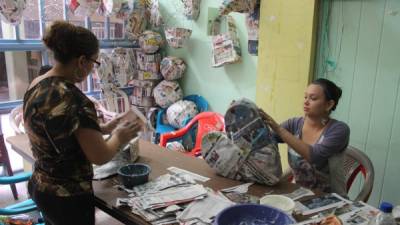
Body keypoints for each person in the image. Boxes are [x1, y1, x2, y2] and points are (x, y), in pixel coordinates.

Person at [23, 21, 140, 225]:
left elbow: (59, 130)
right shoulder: (75, 100)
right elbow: (100, 156)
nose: (92, 70)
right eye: (94, 63)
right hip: (68, 198)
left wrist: (103, 129)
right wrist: (119, 137)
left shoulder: (37, 83)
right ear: (81, 61)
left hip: (41, 185)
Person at [259, 78, 350, 196]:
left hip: (331, 198)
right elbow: (266, 140)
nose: (306, 102)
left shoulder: (339, 130)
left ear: (329, 104)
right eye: (305, 97)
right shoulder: (294, 124)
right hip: (300, 194)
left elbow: (314, 156)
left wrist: (279, 129)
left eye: (313, 98)